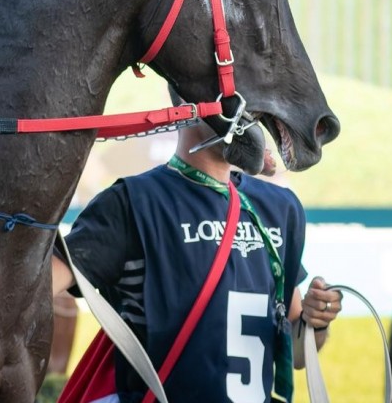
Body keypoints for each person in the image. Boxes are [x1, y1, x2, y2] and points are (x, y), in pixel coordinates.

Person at [51, 87, 340, 402]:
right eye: (227, 90)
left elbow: (297, 353)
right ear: (184, 93)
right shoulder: (132, 203)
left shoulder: (278, 208)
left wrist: (316, 322)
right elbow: (36, 289)